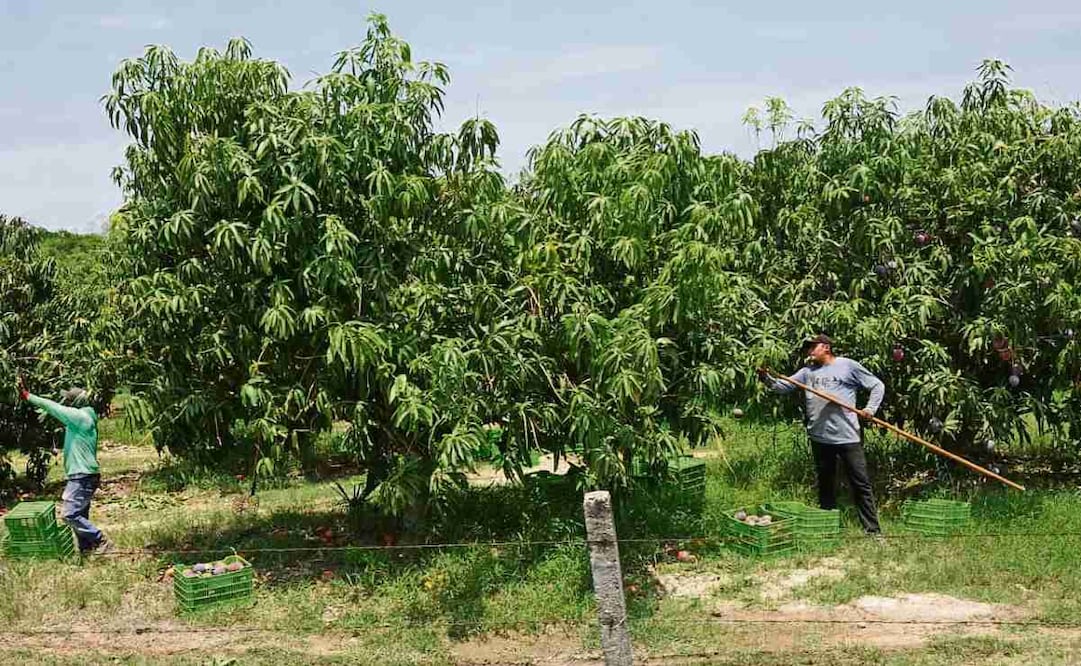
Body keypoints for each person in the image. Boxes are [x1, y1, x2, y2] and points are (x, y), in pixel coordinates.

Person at [757, 334, 885, 535]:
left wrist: (870, 409)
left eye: (812, 347)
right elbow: (784, 387)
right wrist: (765, 378)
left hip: (847, 436)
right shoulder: (807, 372)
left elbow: (877, 385)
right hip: (819, 437)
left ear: (825, 347)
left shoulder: (847, 366)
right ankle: (828, 527)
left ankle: (873, 531)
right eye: (808, 348)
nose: (809, 352)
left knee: (861, 484)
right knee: (825, 483)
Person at [17, 376, 112, 554]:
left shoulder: (79, 417)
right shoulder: (85, 417)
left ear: (75, 403)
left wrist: (28, 395)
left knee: (70, 514)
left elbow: (53, 407)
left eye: (68, 400)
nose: (66, 403)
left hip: (82, 475)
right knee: (80, 514)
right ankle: (87, 551)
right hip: (84, 474)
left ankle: (100, 539)